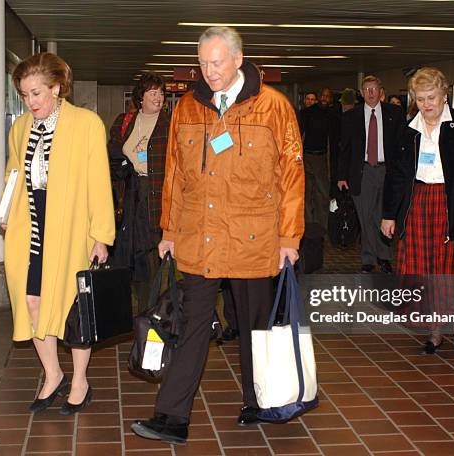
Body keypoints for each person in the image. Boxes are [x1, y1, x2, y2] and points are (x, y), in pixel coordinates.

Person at [130, 26, 304, 445]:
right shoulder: (187, 108)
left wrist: (289, 238)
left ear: (238, 60)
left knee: (254, 327)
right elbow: (173, 172)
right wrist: (169, 228)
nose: (209, 71)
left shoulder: (273, 107)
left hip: (254, 237)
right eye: (204, 63)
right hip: (200, 235)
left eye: (217, 62)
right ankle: (172, 417)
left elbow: (292, 175)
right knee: (191, 324)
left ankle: (259, 401)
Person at [3, 52, 115, 415]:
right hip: (31, 227)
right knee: (32, 303)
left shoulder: (86, 124)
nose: (30, 102)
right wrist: (5, 211)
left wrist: (101, 236)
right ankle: (53, 375)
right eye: (23, 94)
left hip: (70, 229)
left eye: (36, 93)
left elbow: (100, 182)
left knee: (72, 309)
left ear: (56, 88)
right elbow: (13, 177)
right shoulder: (20, 128)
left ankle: (80, 380)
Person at [381, 67, 454, 354]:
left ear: (445, 95)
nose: (426, 104)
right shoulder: (408, 129)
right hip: (420, 203)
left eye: (431, 97)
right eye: (421, 99)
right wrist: (389, 214)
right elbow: (397, 175)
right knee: (424, 268)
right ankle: (435, 332)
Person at [108, 72, 169, 312]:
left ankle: (150, 312)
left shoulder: (170, 123)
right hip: (128, 197)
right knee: (127, 257)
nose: (159, 98)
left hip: (155, 197)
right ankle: (130, 312)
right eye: (153, 93)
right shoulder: (124, 122)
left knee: (151, 258)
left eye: (161, 93)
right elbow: (111, 153)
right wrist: (124, 167)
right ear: (140, 97)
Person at [337, 76, 405, 273]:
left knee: (384, 215)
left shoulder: (394, 113)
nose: (371, 93)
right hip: (362, 172)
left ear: (380, 91)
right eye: (366, 89)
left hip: (387, 171)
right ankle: (368, 258)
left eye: (374, 89)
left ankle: (384, 257)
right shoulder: (351, 116)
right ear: (361, 93)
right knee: (365, 217)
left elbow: (401, 144)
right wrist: (341, 176)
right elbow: (344, 149)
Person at [299, 87, 340, 231]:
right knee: (307, 194)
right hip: (306, 157)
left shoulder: (333, 116)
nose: (324, 99)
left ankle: (322, 227)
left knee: (322, 195)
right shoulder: (306, 114)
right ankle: (308, 225)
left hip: (324, 159)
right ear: (318, 97)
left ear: (330, 99)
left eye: (327, 97)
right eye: (322, 96)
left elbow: (335, 142)